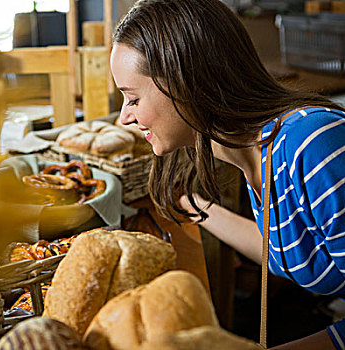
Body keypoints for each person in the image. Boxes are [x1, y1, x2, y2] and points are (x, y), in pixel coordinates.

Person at [110, 0, 345, 349]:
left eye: (132, 98)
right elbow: (285, 250)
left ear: (185, 81)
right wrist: (191, 204)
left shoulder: (311, 146)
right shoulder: (255, 155)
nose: (123, 118)